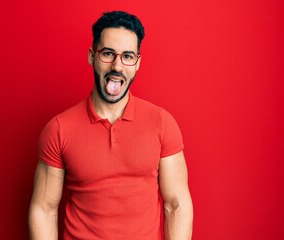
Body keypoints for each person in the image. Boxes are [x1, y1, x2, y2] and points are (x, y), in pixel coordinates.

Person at [29, 11, 193, 240]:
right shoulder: (59, 129)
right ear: (91, 56)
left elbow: (176, 204)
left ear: (137, 63)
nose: (117, 66)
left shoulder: (162, 123)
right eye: (108, 54)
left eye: (127, 56)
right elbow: (44, 209)